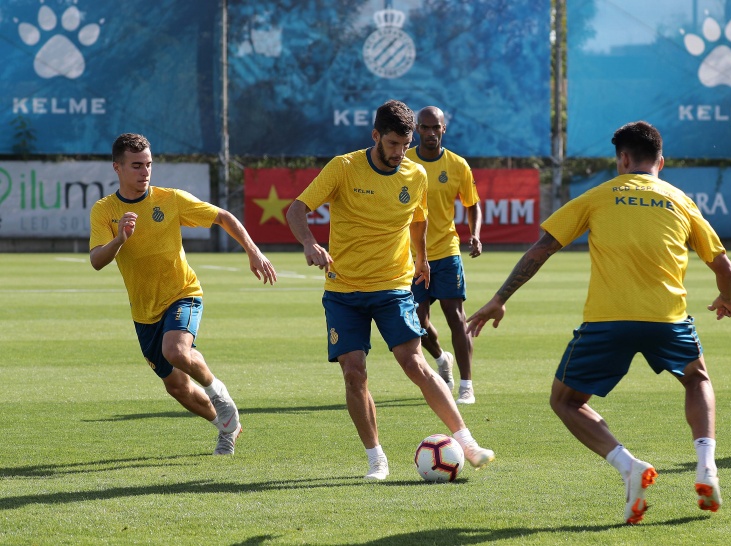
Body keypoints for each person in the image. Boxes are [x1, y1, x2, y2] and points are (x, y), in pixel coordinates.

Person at [466, 121, 731, 524]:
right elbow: (724, 267)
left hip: (607, 322)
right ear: (660, 162)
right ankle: (707, 466)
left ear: (622, 159)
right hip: (668, 318)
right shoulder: (680, 200)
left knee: (565, 401)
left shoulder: (598, 196)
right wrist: (726, 297)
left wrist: (499, 299)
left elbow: (542, 249)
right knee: (696, 378)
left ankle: (629, 466)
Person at [286, 99, 494, 480]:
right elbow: (296, 210)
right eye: (393, 143)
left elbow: (419, 220)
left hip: (393, 285)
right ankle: (376, 458)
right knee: (354, 372)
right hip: (343, 290)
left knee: (414, 362)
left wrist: (422, 258)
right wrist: (308, 242)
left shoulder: (416, 175)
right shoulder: (343, 168)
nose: (400, 152)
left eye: (405, 143)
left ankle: (466, 441)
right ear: (376, 136)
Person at [89, 133, 278, 456]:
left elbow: (223, 216)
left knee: (176, 351)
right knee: (176, 386)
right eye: (136, 166)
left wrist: (253, 251)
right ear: (117, 168)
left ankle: (219, 394)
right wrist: (120, 238)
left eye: (148, 164)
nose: (145, 172)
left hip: (182, 293)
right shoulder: (105, 210)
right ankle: (226, 425)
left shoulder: (170, 199)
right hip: (144, 311)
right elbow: (96, 261)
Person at [406, 106, 482, 404]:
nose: (430, 132)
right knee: (417, 323)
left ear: (443, 129)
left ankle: (466, 385)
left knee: (456, 316)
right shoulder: (404, 161)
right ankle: (440, 358)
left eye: (435, 127)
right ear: (417, 130)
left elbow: (472, 204)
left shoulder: (458, 165)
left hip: (447, 251)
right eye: (424, 127)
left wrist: (474, 234)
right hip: (411, 256)